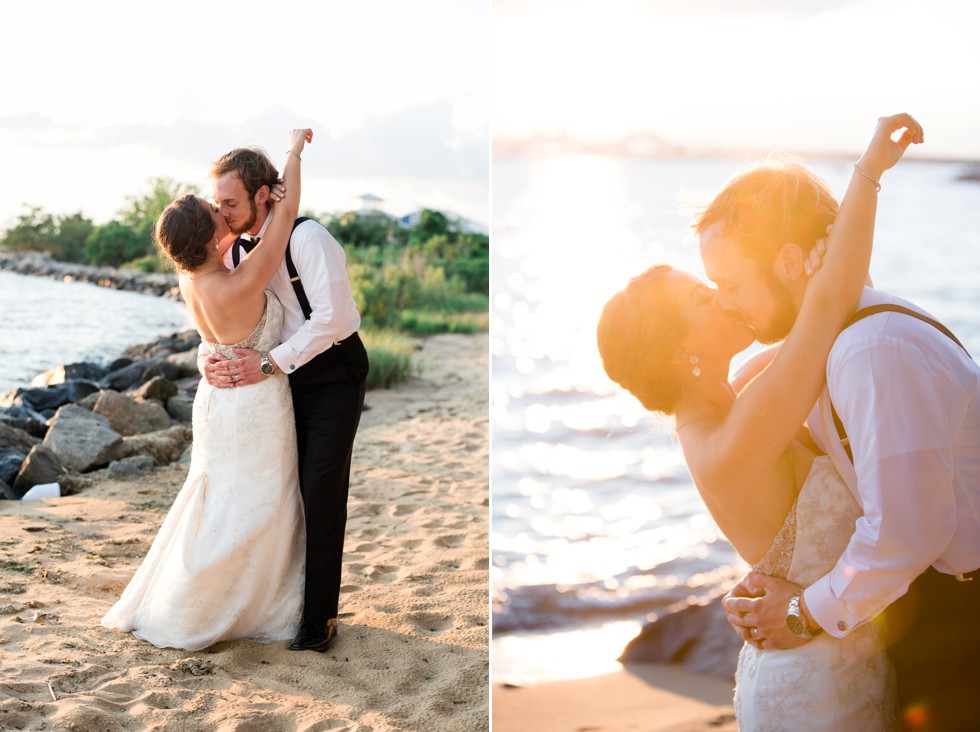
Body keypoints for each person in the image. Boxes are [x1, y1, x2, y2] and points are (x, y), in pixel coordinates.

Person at [597, 114, 923, 729]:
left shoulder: (735, 399)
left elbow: (828, 322)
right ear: (678, 354)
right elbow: (828, 306)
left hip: (828, 648)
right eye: (704, 296)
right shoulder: (733, 434)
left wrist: (810, 261)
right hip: (814, 678)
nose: (723, 296)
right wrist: (868, 172)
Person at [715, 147, 980, 728]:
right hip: (930, 602)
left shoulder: (873, 350)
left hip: (965, 617)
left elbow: (908, 532)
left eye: (730, 283)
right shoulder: (829, 344)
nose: (725, 304)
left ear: (789, 260)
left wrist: (804, 613)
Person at [101, 129, 313, 650]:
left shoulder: (191, 280)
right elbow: (286, 219)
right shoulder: (239, 281)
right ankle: (231, 606)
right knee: (260, 500)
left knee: (218, 497)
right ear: (208, 232)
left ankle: (203, 596)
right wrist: (292, 154)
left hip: (216, 402)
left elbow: (208, 340)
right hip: (254, 403)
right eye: (215, 209)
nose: (223, 209)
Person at [198, 138, 369, 654]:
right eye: (218, 202)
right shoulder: (231, 248)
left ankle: (319, 619)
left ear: (265, 196)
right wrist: (204, 357)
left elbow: (332, 319)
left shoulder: (308, 237)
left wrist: (270, 362)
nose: (222, 213)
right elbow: (213, 315)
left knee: (320, 490)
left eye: (231, 203)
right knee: (278, 492)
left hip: (334, 371)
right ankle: (277, 604)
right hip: (276, 383)